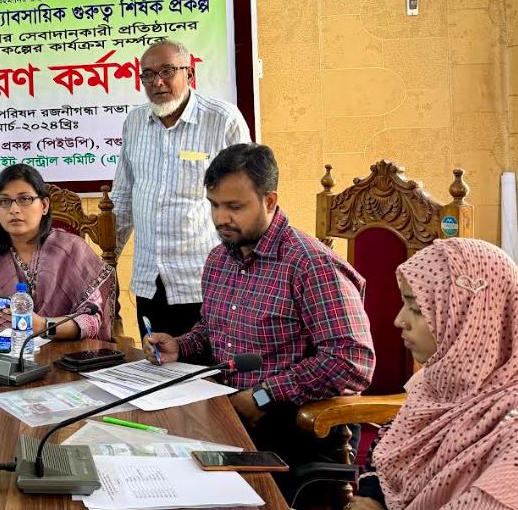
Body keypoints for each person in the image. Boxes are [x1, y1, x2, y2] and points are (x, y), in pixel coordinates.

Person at [144, 144, 375, 491]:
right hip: (231, 414)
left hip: (296, 426)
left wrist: (263, 395)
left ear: (269, 201)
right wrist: (180, 346)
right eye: (214, 205)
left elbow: (351, 361)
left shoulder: (311, 265)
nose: (220, 218)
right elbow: (212, 330)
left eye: (234, 207)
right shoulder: (219, 260)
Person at [349, 238, 518, 510]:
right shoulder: (433, 383)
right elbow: (385, 454)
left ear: (471, 320)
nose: (399, 320)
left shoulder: (511, 425)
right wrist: (372, 498)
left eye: (417, 309)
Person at [111, 39, 251, 338]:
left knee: (207, 366)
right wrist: (108, 259)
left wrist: (246, 269)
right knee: (156, 361)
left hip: (204, 280)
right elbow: (123, 197)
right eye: (148, 74)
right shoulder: (135, 122)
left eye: (167, 71)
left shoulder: (222, 120)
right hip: (149, 280)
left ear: (190, 74)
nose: (157, 82)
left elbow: (245, 199)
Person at [0, 163, 113, 340]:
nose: (14, 210)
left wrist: (45, 327)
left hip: (63, 350)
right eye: (4, 201)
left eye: (24, 199)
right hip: (0, 350)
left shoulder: (72, 249)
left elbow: (91, 319)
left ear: (44, 205)